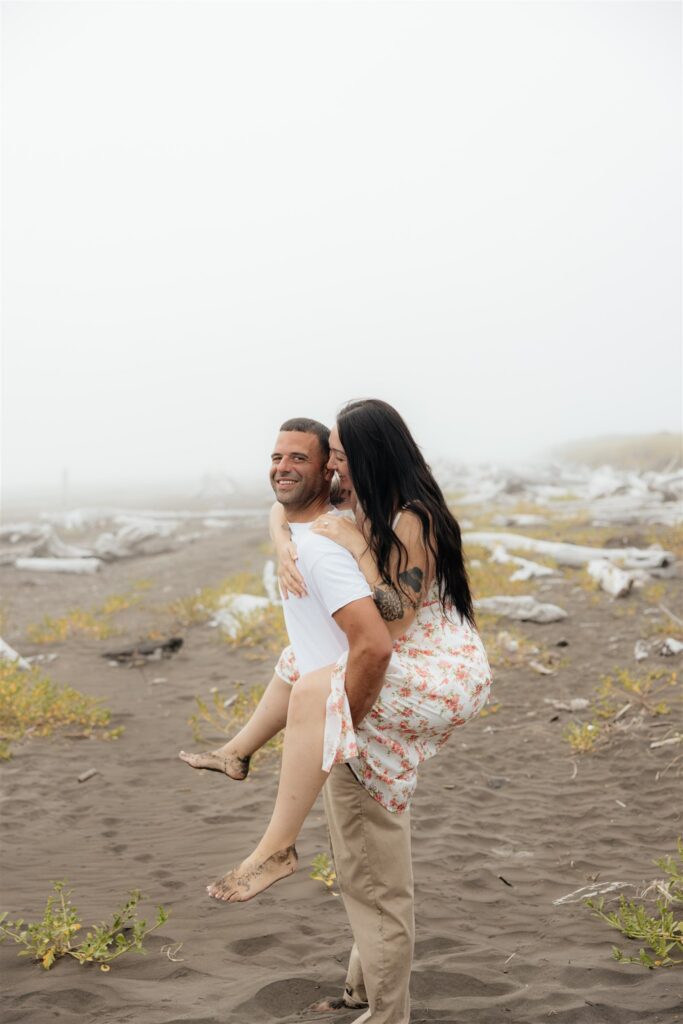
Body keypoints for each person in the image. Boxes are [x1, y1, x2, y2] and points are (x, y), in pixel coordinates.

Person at [180, 402, 492, 1023]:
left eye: (343, 455)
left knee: (317, 692)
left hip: (438, 668)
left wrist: (354, 545)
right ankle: (239, 753)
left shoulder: (412, 520)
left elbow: (394, 619)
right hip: (406, 655)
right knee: (303, 664)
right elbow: (284, 504)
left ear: (372, 455)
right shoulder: (372, 503)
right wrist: (283, 541)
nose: (336, 467)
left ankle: (280, 850)